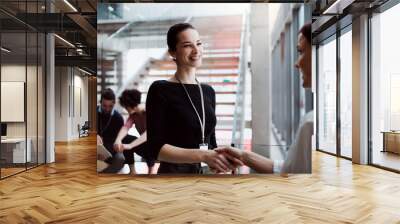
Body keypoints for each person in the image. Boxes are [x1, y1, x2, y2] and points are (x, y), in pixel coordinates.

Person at [216, 23, 313, 174]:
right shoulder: (310, 122)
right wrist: (243, 155)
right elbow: (289, 169)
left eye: (301, 52)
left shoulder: (311, 123)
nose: (296, 63)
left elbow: (289, 171)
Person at [146, 23, 242, 174]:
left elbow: (211, 140)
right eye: (187, 45)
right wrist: (203, 155)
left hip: (205, 175)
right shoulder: (160, 89)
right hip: (174, 176)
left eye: (199, 43)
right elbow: (155, 148)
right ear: (173, 52)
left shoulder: (208, 91)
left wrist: (222, 161)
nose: (196, 50)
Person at [113, 89, 156, 175]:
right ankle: (132, 171)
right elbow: (125, 128)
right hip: (146, 145)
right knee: (125, 139)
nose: (125, 108)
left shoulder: (149, 111)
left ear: (129, 105)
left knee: (150, 143)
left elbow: (149, 133)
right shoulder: (133, 115)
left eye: (125, 106)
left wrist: (131, 145)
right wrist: (118, 140)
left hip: (157, 145)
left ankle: (151, 171)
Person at [97, 88, 125, 173]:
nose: (107, 109)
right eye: (104, 106)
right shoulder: (91, 113)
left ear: (114, 104)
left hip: (110, 148)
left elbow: (118, 140)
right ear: (100, 102)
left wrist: (107, 153)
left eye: (110, 106)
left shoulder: (118, 118)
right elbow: (84, 132)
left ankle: (103, 176)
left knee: (120, 159)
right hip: (94, 147)